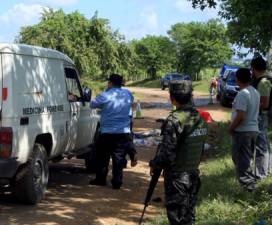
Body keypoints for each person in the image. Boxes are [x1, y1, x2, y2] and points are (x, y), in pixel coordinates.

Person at [149, 80, 208, 225]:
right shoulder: (199, 118)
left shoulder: (174, 120)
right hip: (193, 175)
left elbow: (166, 155)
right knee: (188, 217)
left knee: (177, 219)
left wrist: (155, 164)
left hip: (178, 179)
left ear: (172, 98)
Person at [89, 73, 135, 189]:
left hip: (107, 132)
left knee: (103, 157)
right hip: (123, 132)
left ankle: (100, 179)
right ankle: (117, 181)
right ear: (121, 84)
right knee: (118, 157)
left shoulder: (105, 95)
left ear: (110, 83)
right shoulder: (128, 94)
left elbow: (92, 104)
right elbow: (131, 101)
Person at [230, 68, 260, 191]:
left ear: (237, 79)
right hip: (253, 130)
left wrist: (231, 128)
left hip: (243, 131)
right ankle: (249, 183)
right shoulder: (255, 92)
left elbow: (241, 115)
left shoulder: (243, 94)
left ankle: (248, 188)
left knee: (241, 159)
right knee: (246, 158)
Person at [251, 56, 272, 179]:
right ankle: (267, 170)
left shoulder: (263, 82)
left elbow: (265, 104)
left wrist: (251, 108)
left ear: (253, 68)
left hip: (261, 116)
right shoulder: (265, 80)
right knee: (265, 144)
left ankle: (261, 175)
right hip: (263, 116)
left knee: (261, 146)